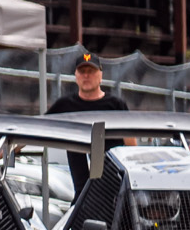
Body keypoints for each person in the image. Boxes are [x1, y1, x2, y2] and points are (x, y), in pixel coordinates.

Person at [51, 51, 132, 191]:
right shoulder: (65, 105)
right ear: (76, 76)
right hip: (81, 188)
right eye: (82, 72)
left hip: (113, 183)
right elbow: (36, 129)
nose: (86, 76)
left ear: (101, 75)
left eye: (91, 71)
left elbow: (131, 145)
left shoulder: (115, 105)